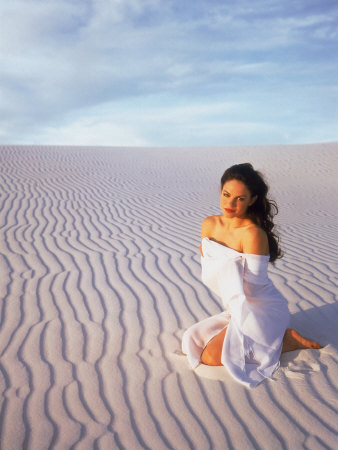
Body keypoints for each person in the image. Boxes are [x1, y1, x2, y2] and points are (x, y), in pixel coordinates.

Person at [182, 163, 321, 387]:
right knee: (192, 340)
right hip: (236, 306)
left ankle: (283, 341)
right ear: (220, 191)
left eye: (240, 198)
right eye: (227, 194)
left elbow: (255, 287)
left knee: (209, 357)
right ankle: (273, 339)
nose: (230, 203)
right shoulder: (208, 224)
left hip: (262, 308)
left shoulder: (252, 234)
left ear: (252, 200)